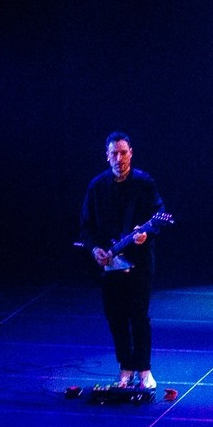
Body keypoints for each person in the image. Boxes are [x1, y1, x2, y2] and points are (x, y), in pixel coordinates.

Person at [78, 133, 167, 390]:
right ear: (106, 155)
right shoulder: (97, 187)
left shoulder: (144, 183)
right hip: (110, 263)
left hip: (139, 262)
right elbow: (86, 227)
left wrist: (145, 234)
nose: (119, 158)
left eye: (123, 153)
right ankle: (125, 367)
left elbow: (159, 215)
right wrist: (95, 249)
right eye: (114, 154)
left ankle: (144, 369)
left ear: (131, 153)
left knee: (139, 316)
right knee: (116, 317)